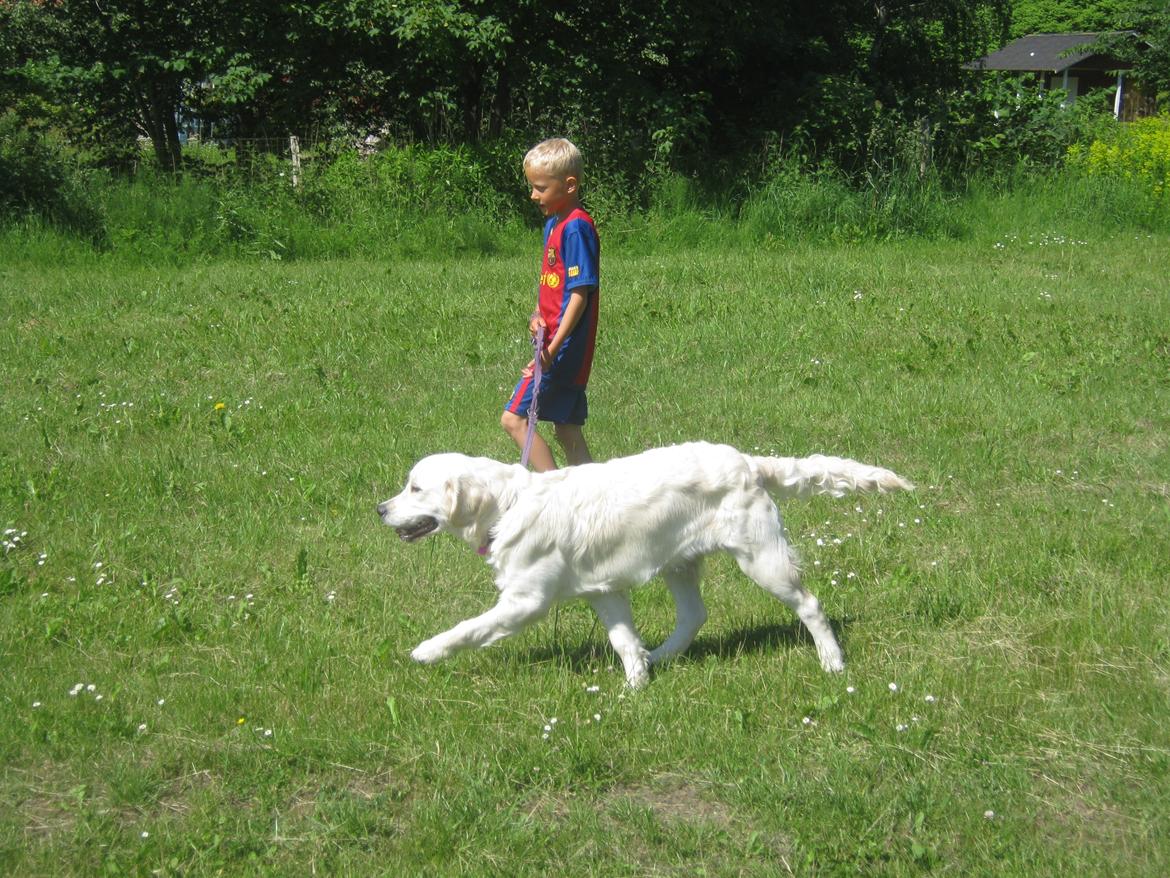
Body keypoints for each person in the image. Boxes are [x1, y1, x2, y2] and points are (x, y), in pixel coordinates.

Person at [501, 138, 599, 471]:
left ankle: (555, 492)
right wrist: (536, 316)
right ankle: (596, 503)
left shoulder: (576, 228)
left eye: (540, 188)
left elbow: (579, 295)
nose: (533, 195)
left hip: (563, 349)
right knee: (566, 428)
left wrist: (553, 348)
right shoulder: (553, 224)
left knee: (513, 419)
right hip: (554, 342)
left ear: (569, 185)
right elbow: (553, 288)